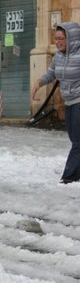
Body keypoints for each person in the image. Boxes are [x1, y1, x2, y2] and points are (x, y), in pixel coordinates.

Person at [32, 22, 80, 184]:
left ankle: (69, 176)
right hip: (69, 101)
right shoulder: (59, 56)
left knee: (78, 141)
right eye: (56, 38)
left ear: (71, 39)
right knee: (75, 139)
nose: (57, 41)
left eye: (61, 38)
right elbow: (52, 72)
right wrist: (39, 82)